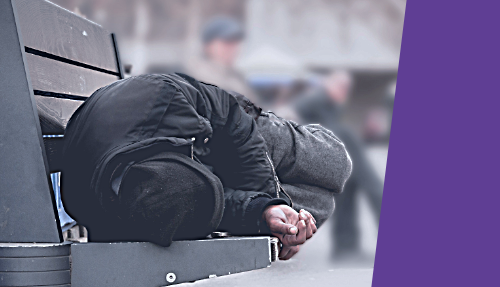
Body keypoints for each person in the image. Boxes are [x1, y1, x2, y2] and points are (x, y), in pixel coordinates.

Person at [62, 73, 352, 260]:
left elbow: (232, 116)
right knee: (319, 201)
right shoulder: (151, 207)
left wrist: (266, 198)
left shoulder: (163, 99)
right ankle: (287, 215)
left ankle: (308, 139)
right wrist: (265, 216)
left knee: (336, 163)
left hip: (224, 128)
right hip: (168, 161)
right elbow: (213, 207)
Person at [295, 71, 384, 264]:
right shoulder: (316, 101)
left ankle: (346, 247)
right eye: (341, 87)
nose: (344, 93)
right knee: (370, 185)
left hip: (327, 156)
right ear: (328, 85)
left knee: (348, 188)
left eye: (347, 89)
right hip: (316, 156)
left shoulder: (327, 104)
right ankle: (346, 246)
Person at [186, 16, 259, 103]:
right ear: (208, 46)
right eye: (226, 42)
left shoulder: (237, 77)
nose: (233, 48)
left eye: (235, 43)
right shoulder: (198, 79)